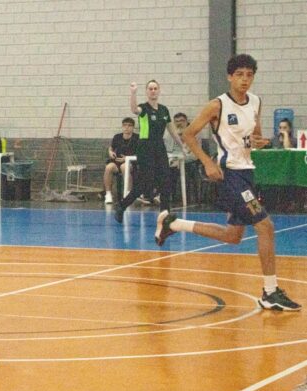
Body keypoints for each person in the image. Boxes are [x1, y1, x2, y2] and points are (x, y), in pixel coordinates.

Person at [154, 54, 300, 314]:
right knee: (265, 225)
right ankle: (270, 291)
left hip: (247, 173)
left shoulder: (256, 101)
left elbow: (252, 136)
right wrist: (208, 163)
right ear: (230, 77)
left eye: (249, 75)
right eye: (240, 75)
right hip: (228, 174)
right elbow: (189, 134)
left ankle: (174, 223)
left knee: (233, 236)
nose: (245, 80)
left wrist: (258, 141)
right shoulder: (217, 105)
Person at [114, 80, 184, 222]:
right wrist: (133, 93)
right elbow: (134, 110)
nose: (153, 91)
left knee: (165, 180)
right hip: (145, 148)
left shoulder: (164, 110)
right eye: (150, 89)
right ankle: (122, 205)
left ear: (159, 90)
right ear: (147, 91)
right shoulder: (144, 108)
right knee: (145, 183)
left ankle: (165, 214)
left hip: (159, 147)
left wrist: (182, 146)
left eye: (155, 88)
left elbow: (172, 130)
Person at [103, 117, 138, 204]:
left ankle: (128, 194)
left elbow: (141, 153)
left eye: (129, 126)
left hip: (131, 162)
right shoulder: (117, 137)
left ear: (133, 127)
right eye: (125, 125)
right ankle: (108, 194)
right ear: (122, 126)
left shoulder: (137, 138)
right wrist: (110, 152)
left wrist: (127, 158)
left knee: (124, 167)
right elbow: (111, 148)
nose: (126, 127)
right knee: (109, 167)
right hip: (117, 161)